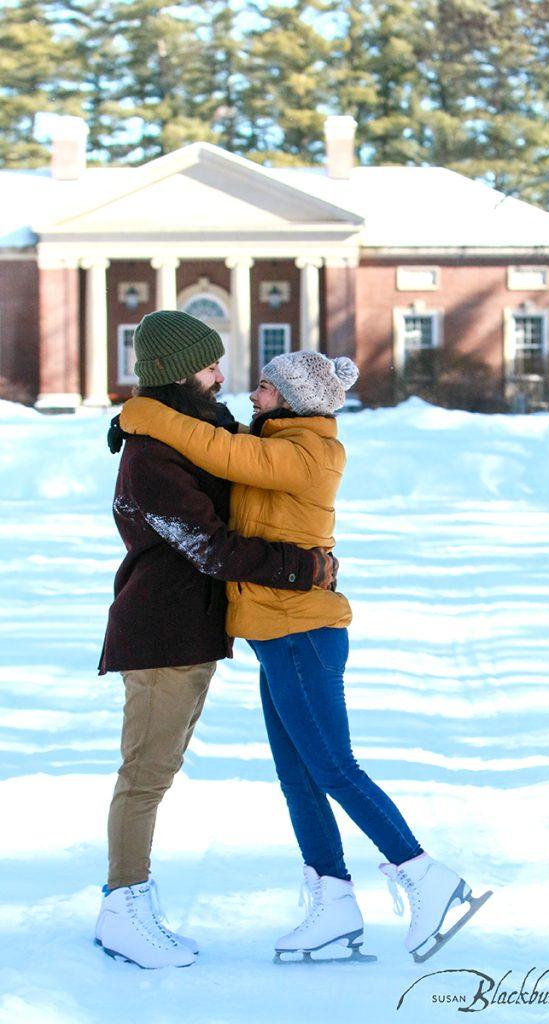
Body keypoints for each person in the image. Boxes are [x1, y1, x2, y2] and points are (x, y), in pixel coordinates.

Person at [119, 349, 491, 964]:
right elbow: (221, 438)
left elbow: (222, 451)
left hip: (302, 633)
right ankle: (334, 900)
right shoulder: (275, 438)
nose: (252, 393)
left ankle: (424, 875)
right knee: (299, 777)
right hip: (275, 636)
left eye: (264, 386)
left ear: (292, 398)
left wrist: (142, 410)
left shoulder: (305, 451)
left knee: (334, 768)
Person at [97, 311, 337, 969]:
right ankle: (122, 904)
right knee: (145, 774)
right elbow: (207, 544)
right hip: (158, 631)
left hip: (192, 630)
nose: (221, 377)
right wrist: (301, 567)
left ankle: (130, 899)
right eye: (209, 367)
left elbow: (256, 454)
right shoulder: (152, 457)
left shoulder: (199, 431)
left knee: (158, 770)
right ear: (179, 375)